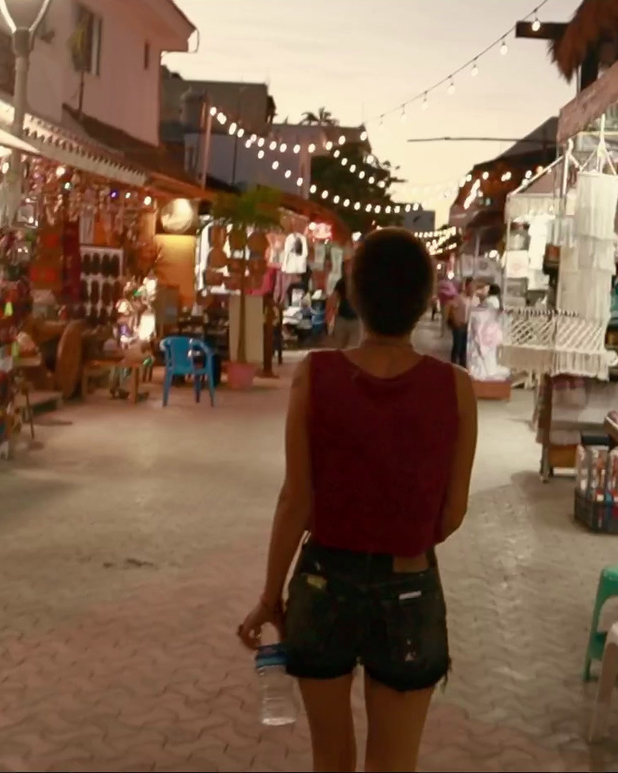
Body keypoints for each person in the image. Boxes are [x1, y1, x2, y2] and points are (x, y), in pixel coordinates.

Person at [238, 228, 478, 772]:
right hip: (410, 588)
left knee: (331, 757)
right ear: (424, 300)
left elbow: (294, 500)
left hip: (324, 584)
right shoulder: (455, 388)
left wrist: (270, 596)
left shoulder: (315, 375)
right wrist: (404, 530)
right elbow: (454, 512)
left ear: (355, 292)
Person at [329, 277, 362, 349]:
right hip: (342, 319)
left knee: (353, 348)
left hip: (356, 321)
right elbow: (333, 298)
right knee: (338, 347)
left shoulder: (361, 281)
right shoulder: (342, 282)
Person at [447, 279, 472, 368]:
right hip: (459, 325)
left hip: (468, 327)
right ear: (467, 286)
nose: (472, 289)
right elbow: (452, 309)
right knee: (457, 346)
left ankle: (462, 367)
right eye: (470, 287)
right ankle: (453, 366)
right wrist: (455, 322)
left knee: (464, 348)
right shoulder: (460, 297)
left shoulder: (473, 299)